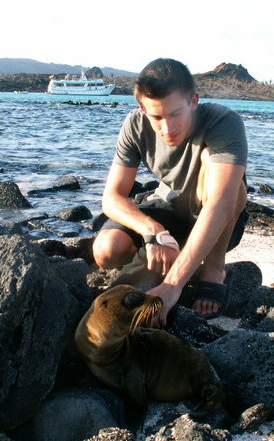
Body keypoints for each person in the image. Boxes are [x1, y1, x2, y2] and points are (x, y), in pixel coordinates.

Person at [93, 58, 248, 325]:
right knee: (107, 250)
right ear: (143, 108)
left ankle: (213, 269)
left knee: (224, 174)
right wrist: (152, 232)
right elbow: (112, 197)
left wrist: (173, 286)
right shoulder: (135, 124)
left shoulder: (224, 122)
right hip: (168, 210)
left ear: (194, 101)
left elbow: (222, 204)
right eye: (157, 117)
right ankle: (165, 259)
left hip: (216, 218)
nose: (167, 128)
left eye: (176, 114)